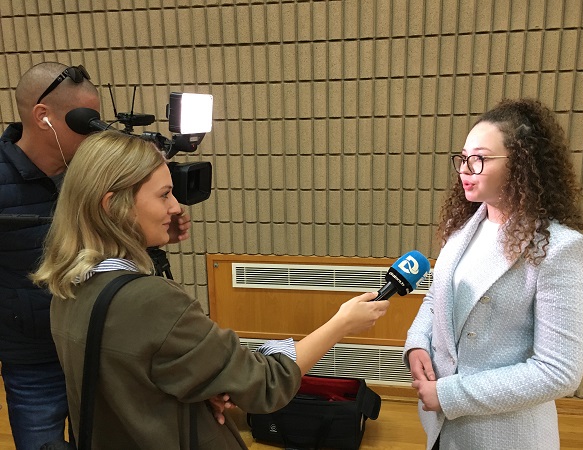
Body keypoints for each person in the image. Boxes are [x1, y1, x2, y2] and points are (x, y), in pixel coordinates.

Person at [31, 130, 390, 449]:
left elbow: (138, 378)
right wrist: (342, 324)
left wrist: (204, 386)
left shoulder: (67, 287)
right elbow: (267, 383)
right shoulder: (151, 301)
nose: (176, 207)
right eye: (164, 195)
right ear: (114, 206)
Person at [0, 62, 191, 450]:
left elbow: (112, 244)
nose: (95, 131)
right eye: (85, 121)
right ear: (43, 116)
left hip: (98, 345)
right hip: (33, 356)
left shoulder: (94, 175)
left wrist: (155, 235)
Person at [403, 98, 583, 450]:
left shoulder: (560, 248)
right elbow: (436, 298)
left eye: (479, 159)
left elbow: (559, 371)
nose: (465, 169)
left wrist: (449, 394)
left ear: (521, 164)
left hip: (503, 434)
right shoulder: (461, 228)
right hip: (441, 426)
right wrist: (416, 343)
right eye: (463, 158)